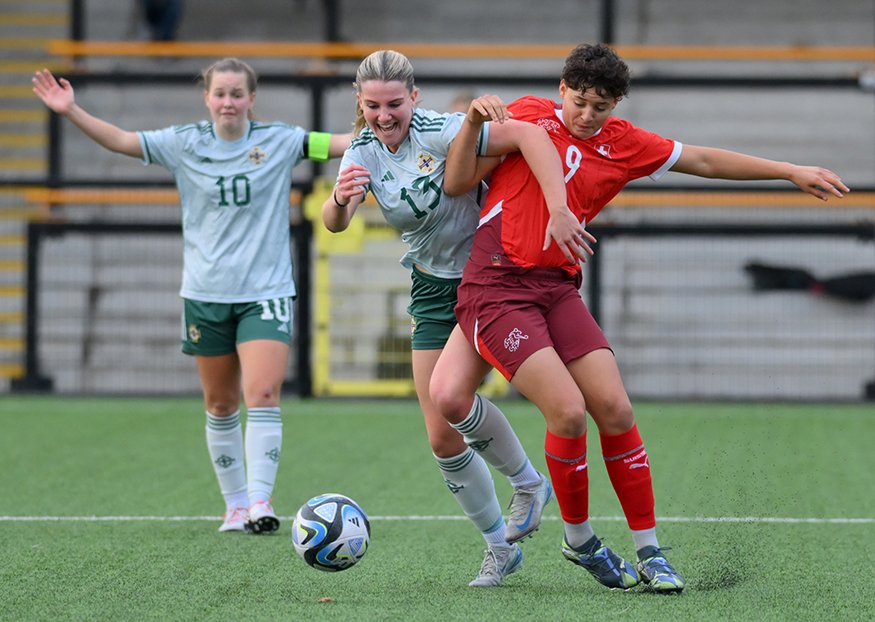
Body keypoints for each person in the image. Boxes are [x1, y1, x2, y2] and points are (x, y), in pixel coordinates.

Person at [432, 42, 849, 593]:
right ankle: (578, 539)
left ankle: (651, 552)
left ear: (616, 105)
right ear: (562, 90)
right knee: (568, 412)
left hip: (556, 288)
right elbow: (458, 180)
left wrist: (787, 170)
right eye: (578, 101)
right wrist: (471, 126)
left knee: (616, 408)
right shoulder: (528, 114)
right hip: (497, 288)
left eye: (599, 106)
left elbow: (701, 160)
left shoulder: (623, 144)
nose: (586, 115)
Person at [32, 58, 351, 535]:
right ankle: (235, 506)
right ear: (207, 98)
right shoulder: (183, 143)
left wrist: (384, 118)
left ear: (252, 99)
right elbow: (122, 141)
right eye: (220, 93)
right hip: (205, 294)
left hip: (266, 291)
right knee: (220, 404)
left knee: (262, 393)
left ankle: (262, 502)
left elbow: (343, 145)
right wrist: (70, 110)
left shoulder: (282, 140)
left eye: (237, 93)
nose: (228, 102)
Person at [323, 50, 585, 587]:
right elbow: (334, 223)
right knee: (441, 437)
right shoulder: (362, 150)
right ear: (360, 103)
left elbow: (529, 138)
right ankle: (499, 547)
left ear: (413, 98)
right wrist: (337, 199)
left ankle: (529, 482)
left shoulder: (441, 130)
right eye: (372, 105)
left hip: (488, 281)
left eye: (394, 103)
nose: (384, 114)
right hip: (430, 289)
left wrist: (558, 207)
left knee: (458, 398)